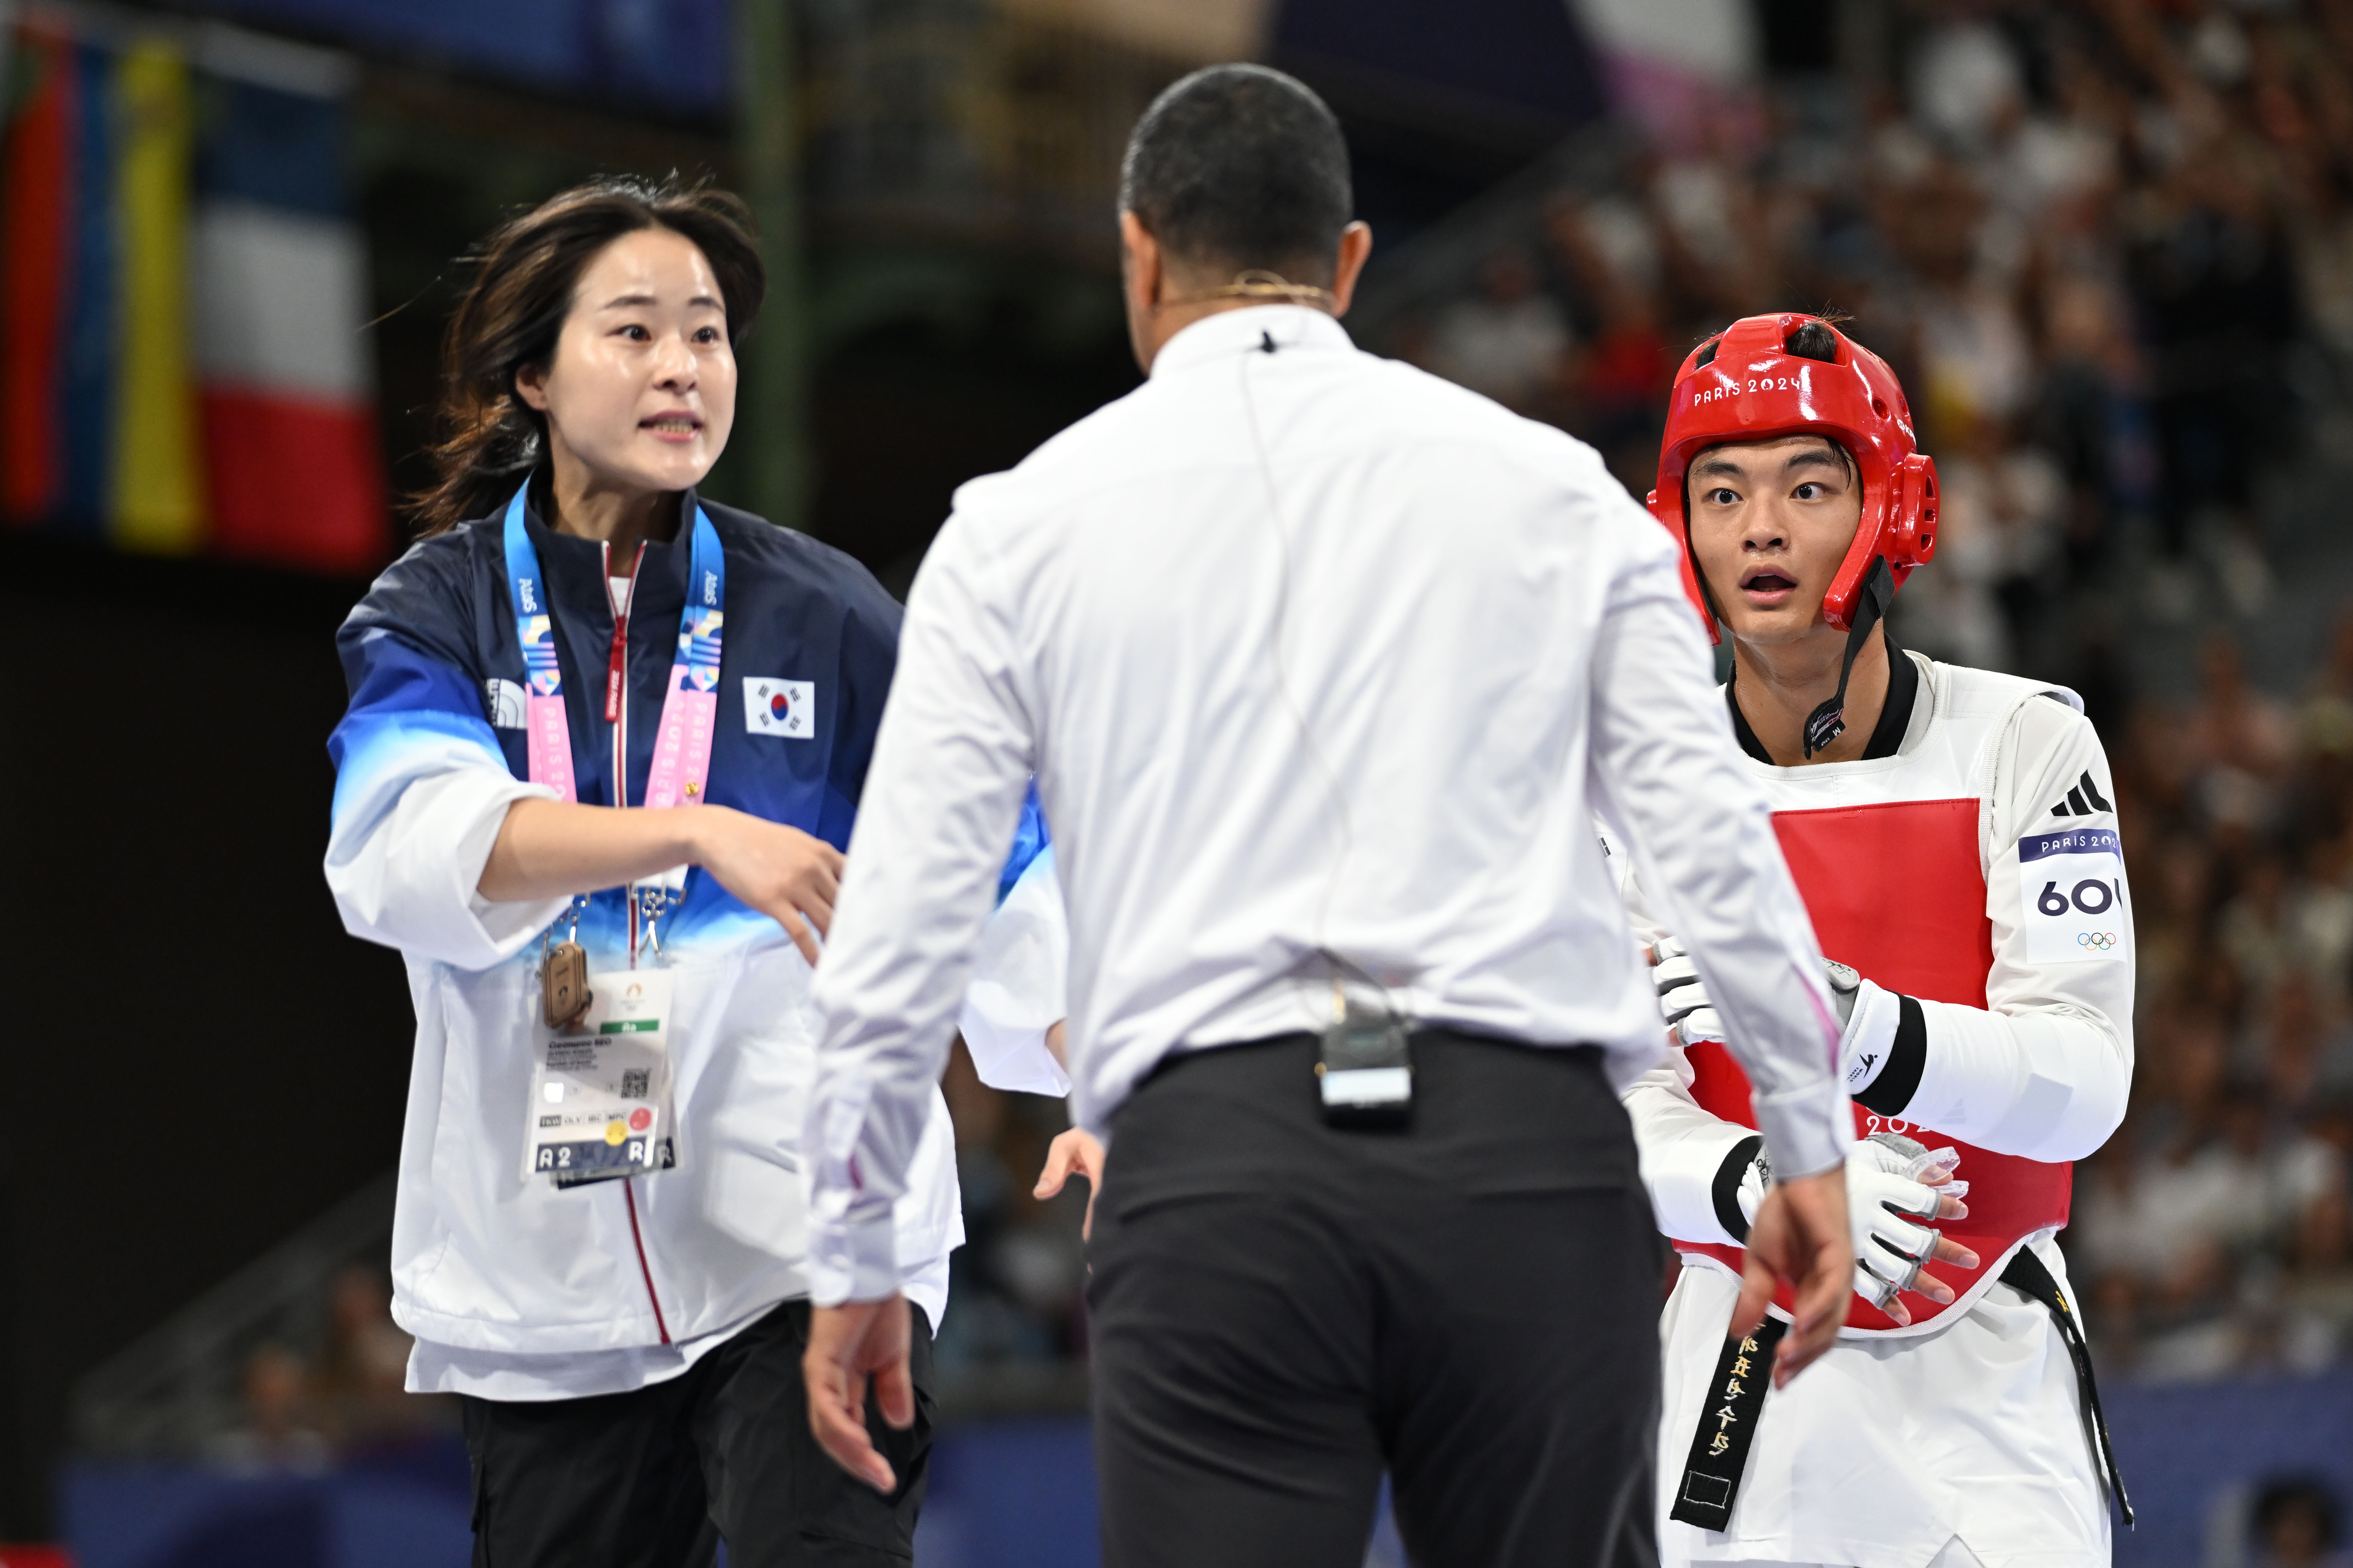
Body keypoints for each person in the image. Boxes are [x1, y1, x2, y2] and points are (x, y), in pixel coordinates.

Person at [794, 65, 1858, 1568]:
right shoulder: (1561, 498)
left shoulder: (1015, 528)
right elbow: (1710, 846)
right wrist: (1806, 1137)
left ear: (1137, 256)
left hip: (1216, 1177)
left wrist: (851, 1254)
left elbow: (901, 932)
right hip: (1525, 1162)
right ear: (1348, 263)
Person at [322, 175, 1063, 1567]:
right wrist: (691, 830)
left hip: (807, 1236)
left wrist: (1116, 1070)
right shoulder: (437, 611)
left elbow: (999, 864)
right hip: (542, 1295)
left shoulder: (827, 612)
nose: (681, 367)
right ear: (532, 372)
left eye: (707, 334)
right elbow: (402, 851)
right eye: (635, 331)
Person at [1616, 312, 2135, 1568]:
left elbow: (2083, 1088)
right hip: (1736, 1364)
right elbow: (1607, 1107)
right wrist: (1765, 1182)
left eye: (1804, 484)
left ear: (1889, 503)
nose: (1757, 528)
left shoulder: (2024, 739)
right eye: (1719, 488)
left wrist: (1851, 1027)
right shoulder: (1624, 780)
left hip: (1986, 1377)